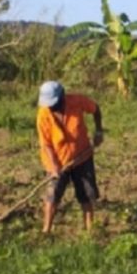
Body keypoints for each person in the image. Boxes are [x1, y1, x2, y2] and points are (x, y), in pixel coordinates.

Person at [36, 81, 103, 233]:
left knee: (86, 195)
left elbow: (96, 109)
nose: (51, 107)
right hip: (56, 160)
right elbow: (46, 144)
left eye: (54, 103)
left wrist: (98, 131)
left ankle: (89, 231)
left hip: (82, 156)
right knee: (52, 195)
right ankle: (46, 231)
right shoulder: (43, 114)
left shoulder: (77, 101)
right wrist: (54, 167)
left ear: (62, 97)